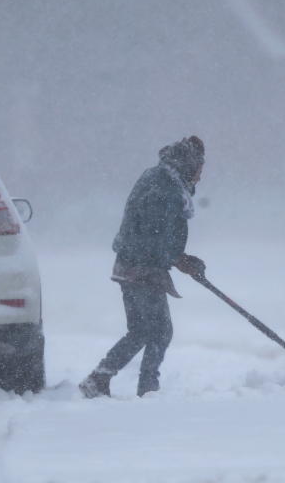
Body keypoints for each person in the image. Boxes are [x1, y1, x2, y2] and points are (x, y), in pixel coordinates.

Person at [79, 136, 207, 398]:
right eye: (199, 170)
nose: (200, 178)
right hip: (142, 268)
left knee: (141, 331)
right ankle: (148, 388)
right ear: (189, 164)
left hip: (131, 264)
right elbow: (154, 234)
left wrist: (179, 258)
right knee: (160, 331)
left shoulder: (160, 177)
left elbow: (157, 235)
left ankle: (99, 378)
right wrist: (179, 259)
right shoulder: (166, 189)